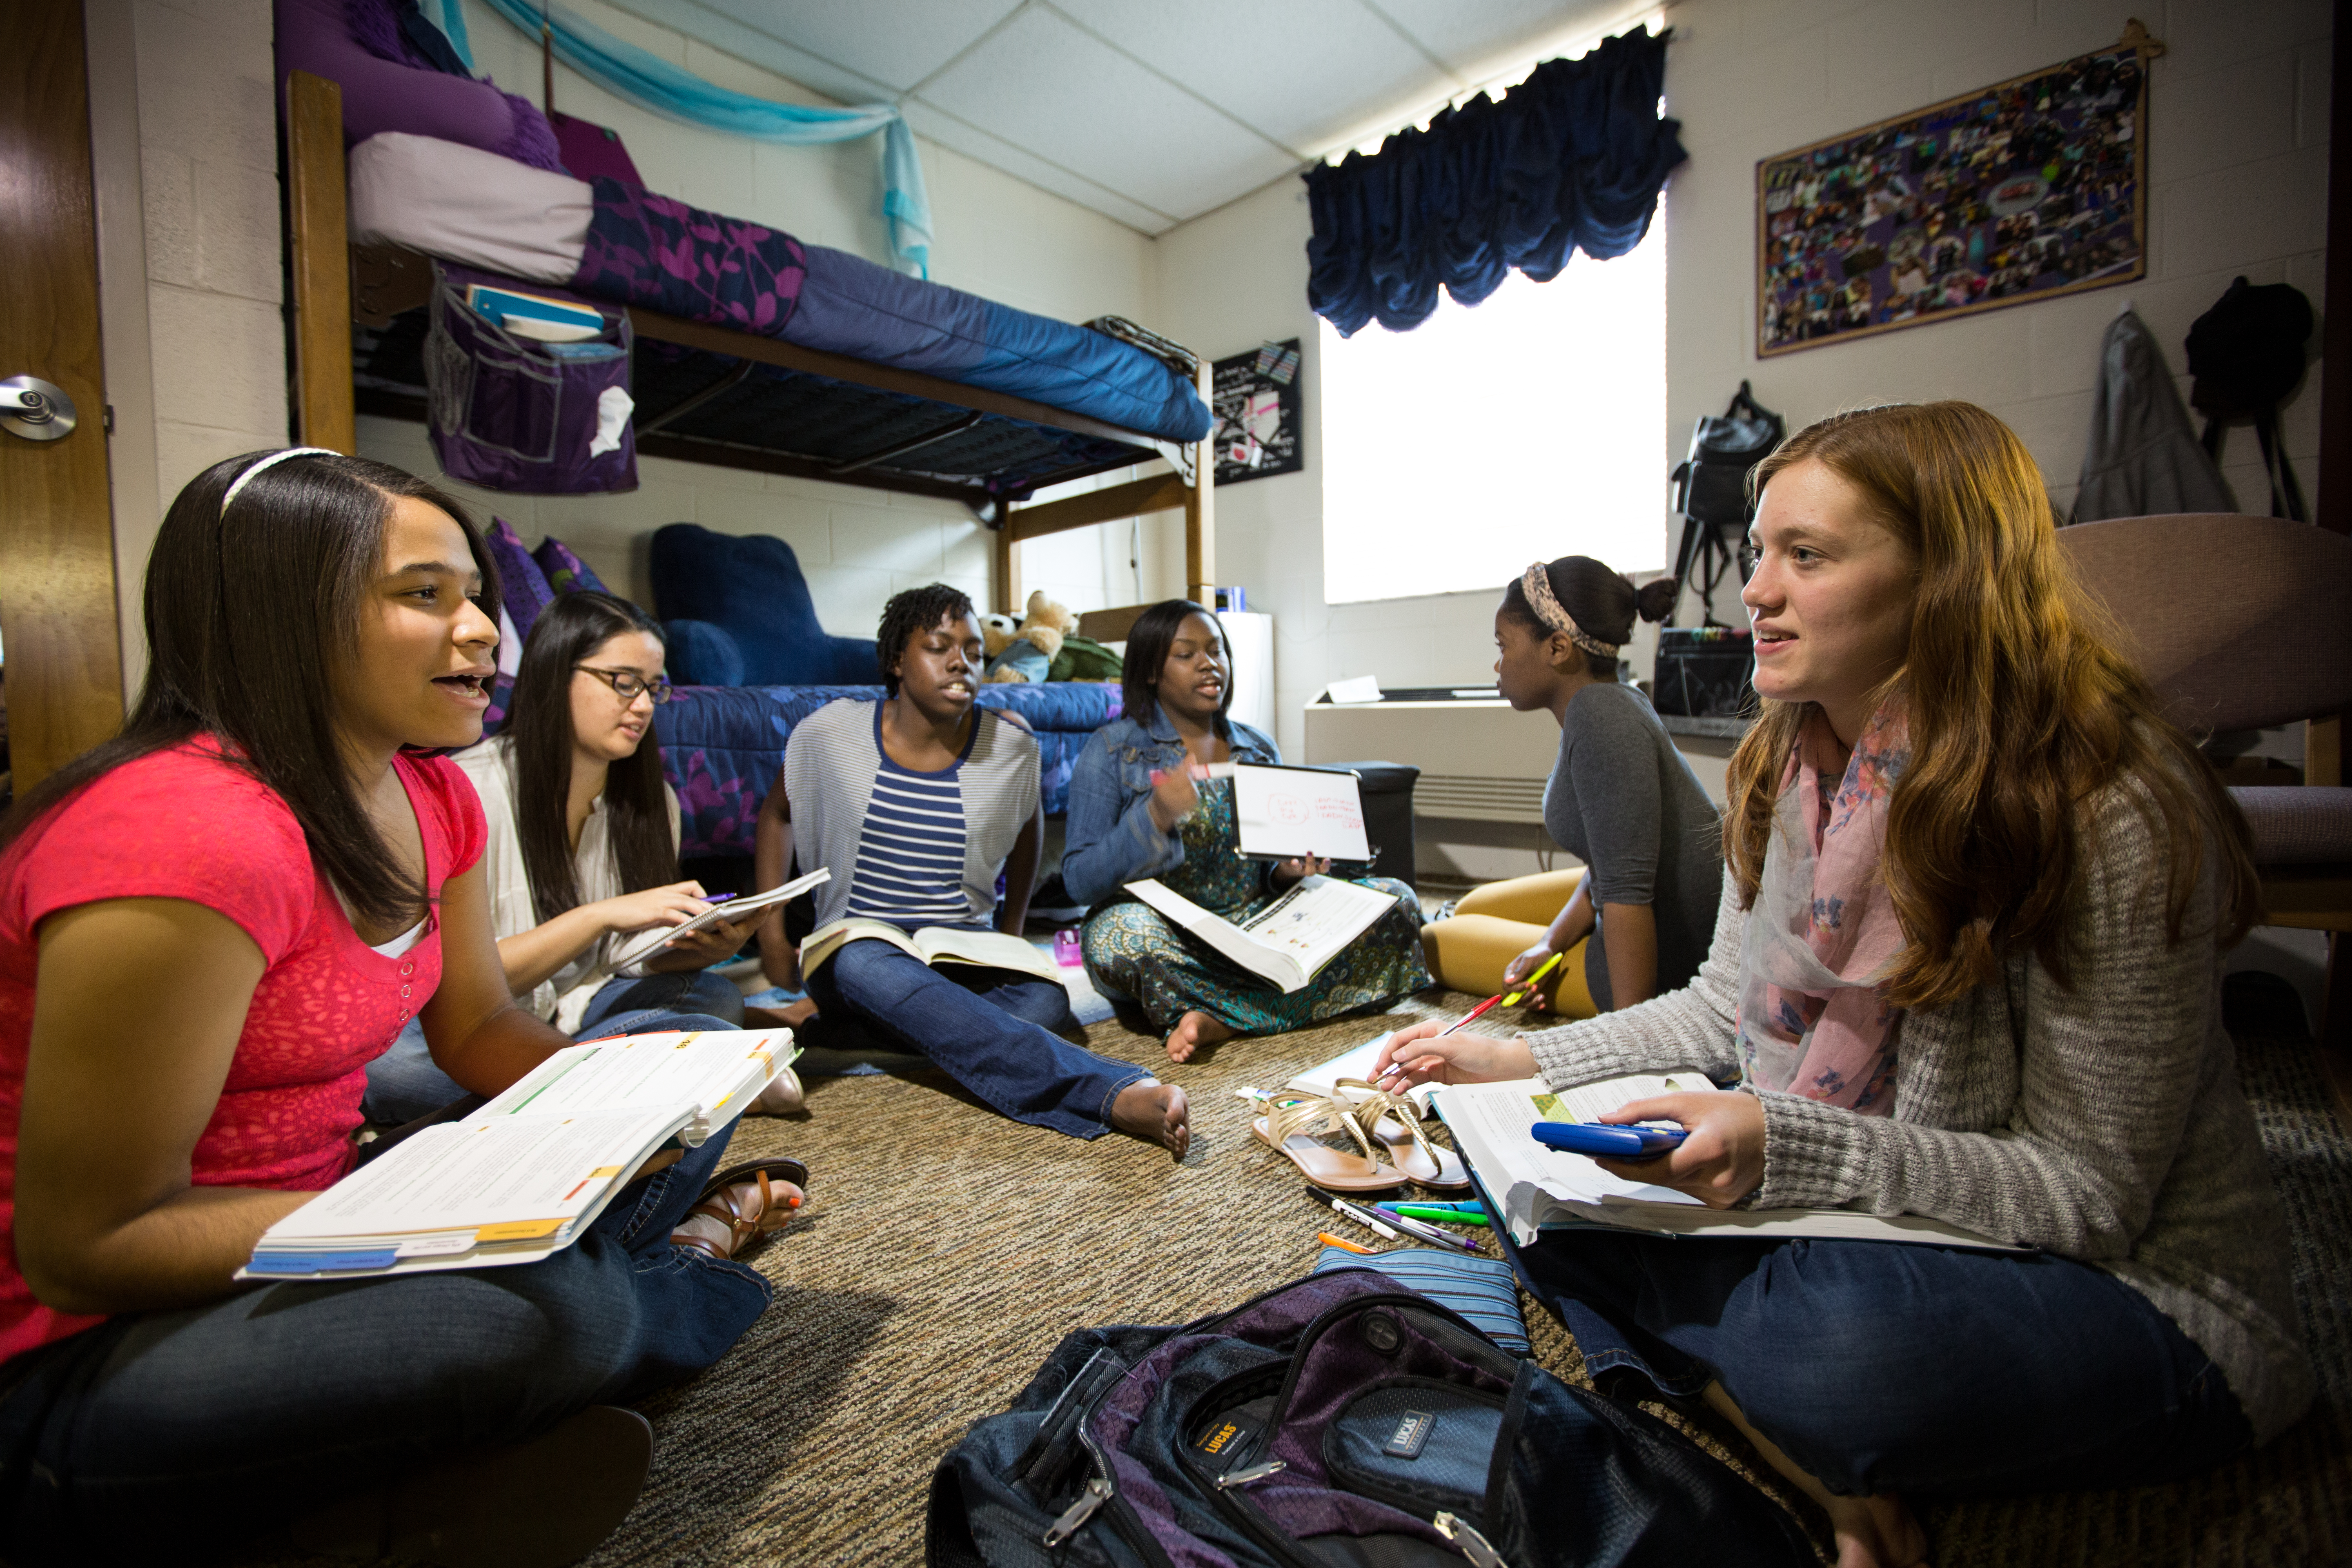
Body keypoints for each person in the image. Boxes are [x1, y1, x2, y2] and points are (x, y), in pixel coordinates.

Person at [1376, 403, 2311, 1568]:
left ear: (1951, 580)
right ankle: (1806, 1458)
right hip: (1869, 1203)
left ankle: (1766, 1400)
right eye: (1761, 551)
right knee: (1511, 1165)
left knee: (1841, 1353)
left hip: (2131, 1284)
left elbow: (2088, 1197)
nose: (1755, 589)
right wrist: (1514, 1061)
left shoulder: (2101, 804)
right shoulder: (1782, 767)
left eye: (1806, 557)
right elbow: (1724, 1006)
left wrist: (1781, 1145)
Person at [0, 450, 797, 1566]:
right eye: (426, 596)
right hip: (87, 1349)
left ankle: (404, 1472)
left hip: (311, 1215)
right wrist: (416, 1227)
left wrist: (647, 1099)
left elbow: (475, 1034)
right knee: (550, 1317)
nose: (481, 631)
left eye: (472, 595)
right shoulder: (185, 833)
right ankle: (654, 1295)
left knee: (693, 1045)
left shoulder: (426, 793)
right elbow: (88, 1248)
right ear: (280, 609)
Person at [749, 584, 1189, 1153]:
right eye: (939, 646)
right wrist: (772, 934)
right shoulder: (833, 731)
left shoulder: (1009, 743)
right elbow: (776, 815)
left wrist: (1011, 936)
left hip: (959, 951)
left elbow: (1029, 838)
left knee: (1046, 1001)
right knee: (866, 964)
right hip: (857, 951)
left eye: (976, 652)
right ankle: (1100, 1088)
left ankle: (811, 1026)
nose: (962, 661)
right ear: (896, 661)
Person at [362, 590, 795, 1125]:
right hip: (466, 1032)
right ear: (556, 673)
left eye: (653, 689)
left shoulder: (653, 803)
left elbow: (622, 961)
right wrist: (598, 917)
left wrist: (694, 948)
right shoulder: (470, 791)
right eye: (623, 682)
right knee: (388, 1068)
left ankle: (585, 1089)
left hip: (579, 1012)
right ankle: (663, 1078)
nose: (641, 705)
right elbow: (449, 991)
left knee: (711, 993)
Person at [1061, 600, 1430, 1063]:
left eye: (1217, 650)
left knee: (1396, 900)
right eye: (1186, 654)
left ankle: (1221, 1015)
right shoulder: (1112, 750)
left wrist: (1286, 875)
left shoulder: (1257, 747)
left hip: (1258, 927)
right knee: (1120, 936)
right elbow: (1079, 881)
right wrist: (1153, 815)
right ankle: (1279, 1002)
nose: (1209, 663)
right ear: (1152, 672)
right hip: (1170, 936)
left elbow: (1267, 877)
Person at [1419, 558, 1720, 1021]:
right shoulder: (1607, 702)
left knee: (1434, 942)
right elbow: (1613, 858)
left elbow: (1627, 895)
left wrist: (1631, 1035)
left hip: (1671, 958)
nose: (1497, 663)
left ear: (1558, 648)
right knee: (1470, 907)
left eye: (1503, 645)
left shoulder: (1602, 721)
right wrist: (1549, 944)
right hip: (1639, 901)